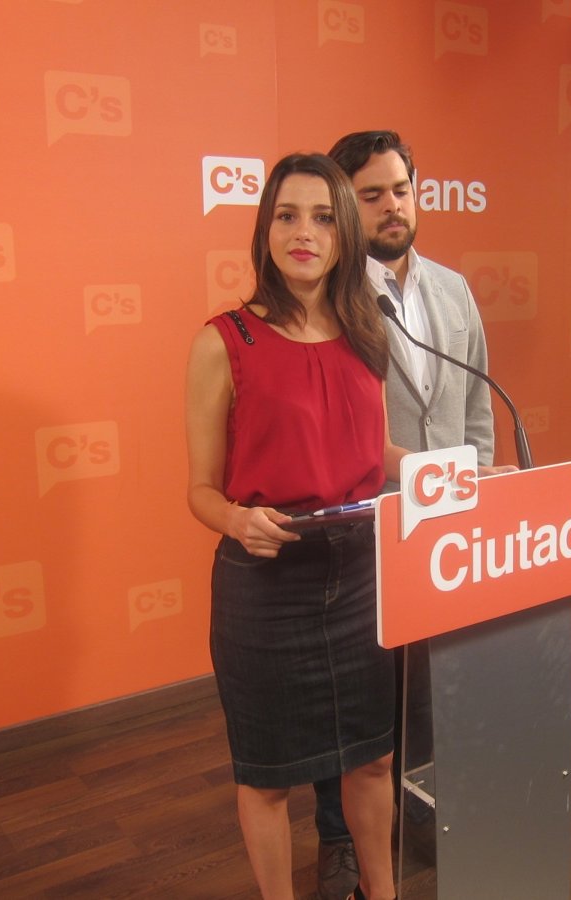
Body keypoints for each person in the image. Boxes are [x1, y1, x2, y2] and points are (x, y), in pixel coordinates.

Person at [185, 152, 403, 900]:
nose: (303, 232)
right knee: (269, 776)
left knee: (373, 759)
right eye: (287, 215)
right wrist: (237, 519)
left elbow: (372, 450)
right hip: (266, 583)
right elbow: (199, 492)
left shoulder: (367, 331)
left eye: (321, 217)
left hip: (362, 573)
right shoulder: (224, 341)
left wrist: (452, 471)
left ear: (346, 235)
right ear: (265, 230)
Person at [300, 130, 498, 900]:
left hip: (440, 529)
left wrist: (476, 489)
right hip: (359, 530)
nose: (392, 206)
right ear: (345, 205)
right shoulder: (322, 298)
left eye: (401, 189)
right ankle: (338, 838)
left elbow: (475, 404)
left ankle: (415, 808)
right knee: (349, 698)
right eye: (372, 194)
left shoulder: (453, 288)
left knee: (424, 686)